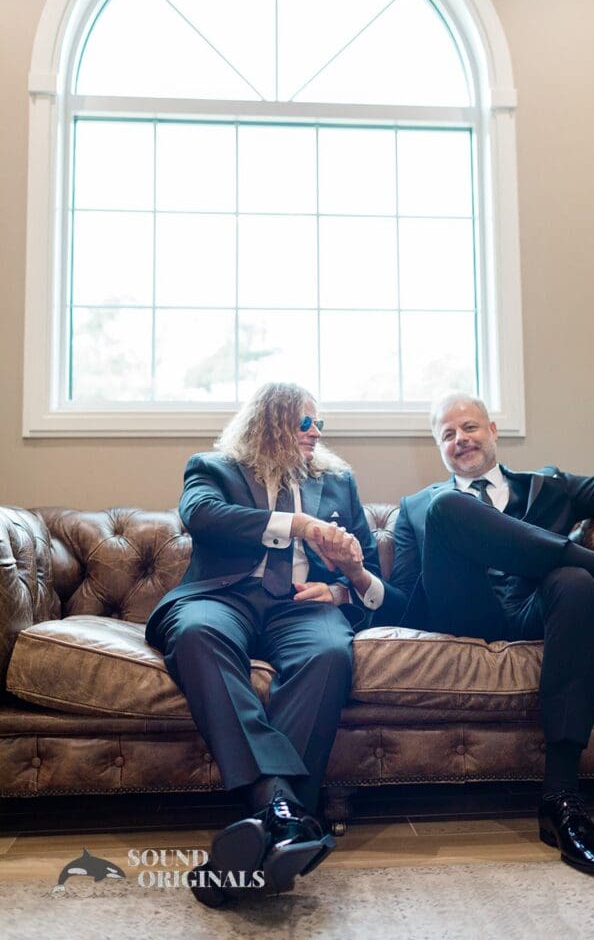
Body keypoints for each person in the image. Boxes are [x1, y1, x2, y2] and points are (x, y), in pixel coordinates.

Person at [386, 391, 594, 877]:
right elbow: (400, 598)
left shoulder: (550, 487)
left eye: (470, 427)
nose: (461, 439)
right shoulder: (418, 507)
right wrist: (356, 581)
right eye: (448, 434)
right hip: (463, 610)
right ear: (439, 447)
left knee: (574, 580)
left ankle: (562, 801)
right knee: (447, 507)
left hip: (532, 610)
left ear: (493, 431)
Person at [145, 382, 387, 906]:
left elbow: (369, 568)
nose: (317, 432)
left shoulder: (339, 481)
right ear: (271, 421)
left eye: (318, 423)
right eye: (305, 422)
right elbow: (202, 516)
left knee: (328, 653)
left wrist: (344, 582)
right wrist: (296, 524)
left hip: (304, 604)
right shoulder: (213, 468)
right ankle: (288, 815)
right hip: (221, 597)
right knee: (196, 633)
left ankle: (266, 830)